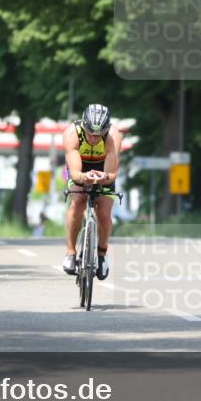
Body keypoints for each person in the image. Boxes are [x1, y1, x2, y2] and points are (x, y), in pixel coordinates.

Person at [62, 104, 120, 279]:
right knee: (78, 200)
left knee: (103, 211)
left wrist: (104, 177)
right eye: (90, 134)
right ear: (83, 127)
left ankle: (102, 254)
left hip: (103, 168)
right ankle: (71, 252)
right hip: (80, 166)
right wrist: (83, 177)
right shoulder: (72, 133)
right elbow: (75, 172)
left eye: (98, 135)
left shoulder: (113, 136)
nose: (94, 139)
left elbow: (111, 174)